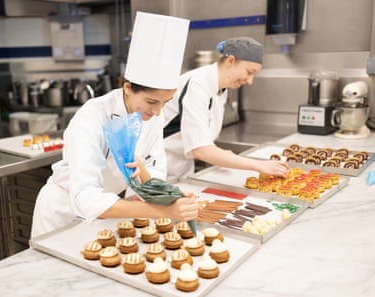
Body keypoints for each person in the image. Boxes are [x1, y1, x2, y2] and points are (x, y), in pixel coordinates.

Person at [31, 12, 198, 238]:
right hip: (63, 215)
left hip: (108, 214)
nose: (158, 112)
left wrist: (167, 195)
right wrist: (161, 210)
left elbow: (155, 170)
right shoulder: (92, 116)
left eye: (165, 103)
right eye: (151, 102)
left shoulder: (152, 116)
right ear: (127, 88)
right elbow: (86, 197)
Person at [163, 37, 289, 180]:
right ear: (230, 61)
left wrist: (223, 155)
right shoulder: (197, 84)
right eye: (249, 72)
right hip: (160, 165)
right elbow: (200, 150)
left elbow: (203, 139)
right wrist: (259, 165)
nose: (250, 81)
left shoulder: (221, 87)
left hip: (180, 166)